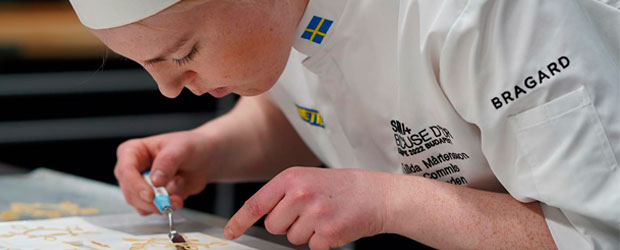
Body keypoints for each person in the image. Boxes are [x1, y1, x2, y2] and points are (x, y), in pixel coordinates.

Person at [68, 0, 620, 249]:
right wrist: (211, 149)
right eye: (146, 64)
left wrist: (386, 203)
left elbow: (599, 232)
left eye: (184, 52)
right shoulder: (275, 24)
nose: (168, 88)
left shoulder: (488, 13)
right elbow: (324, 111)